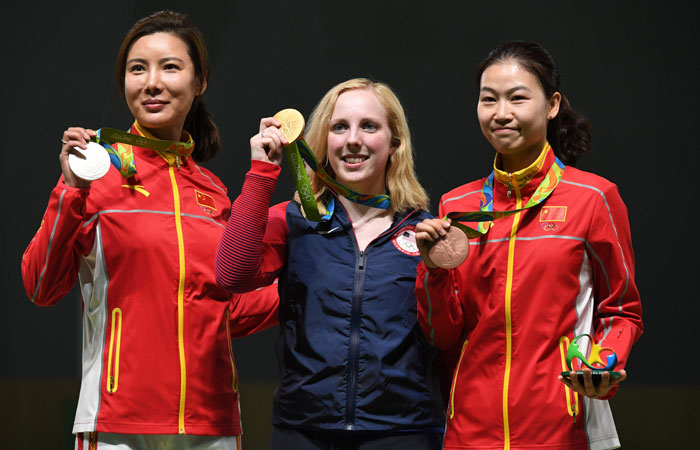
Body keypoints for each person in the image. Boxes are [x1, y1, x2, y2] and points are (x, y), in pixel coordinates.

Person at [21, 10, 277, 450]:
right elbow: (41, 285)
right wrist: (70, 191)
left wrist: (303, 284)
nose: (152, 82)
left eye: (170, 67)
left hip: (211, 423)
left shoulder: (213, 191)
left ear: (200, 83)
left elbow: (225, 309)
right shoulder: (95, 174)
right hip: (118, 421)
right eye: (137, 69)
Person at [414, 41, 643, 450]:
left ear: (552, 104)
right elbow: (443, 335)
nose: (501, 113)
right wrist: (432, 271)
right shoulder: (457, 206)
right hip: (469, 430)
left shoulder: (593, 198)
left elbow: (622, 310)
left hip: (560, 428)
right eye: (489, 100)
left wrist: (602, 363)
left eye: (517, 98)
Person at [216, 78, 445, 449]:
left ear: (394, 143)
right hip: (304, 433)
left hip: (405, 433)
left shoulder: (424, 234)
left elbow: (446, 335)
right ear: (322, 144)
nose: (353, 139)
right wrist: (261, 173)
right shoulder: (295, 222)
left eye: (369, 126)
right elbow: (233, 274)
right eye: (340, 127)